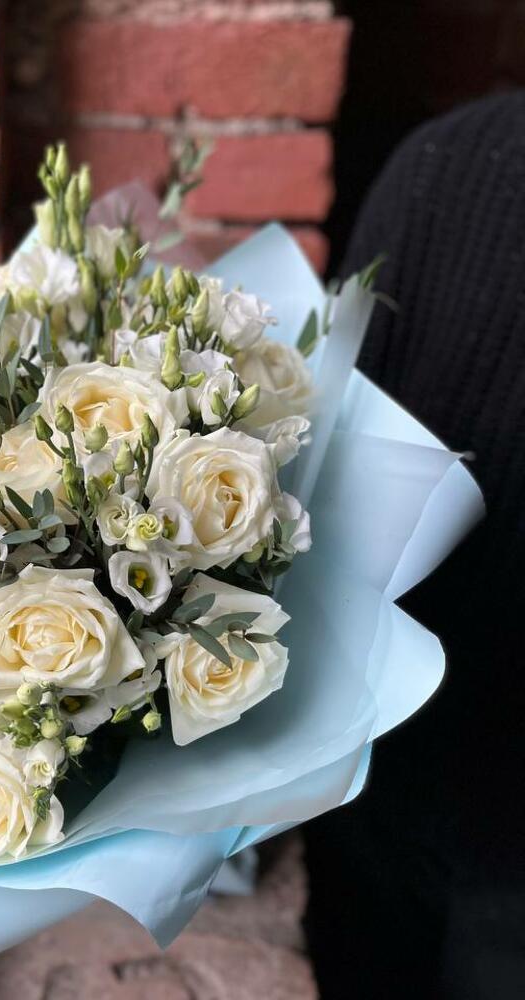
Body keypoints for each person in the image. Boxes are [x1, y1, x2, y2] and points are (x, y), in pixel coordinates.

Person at [303, 92, 525, 998]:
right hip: (380, 779)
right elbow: (315, 464)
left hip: (388, 774)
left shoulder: (440, 152)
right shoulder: (445, 159)